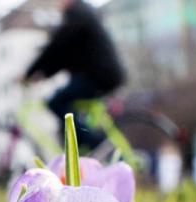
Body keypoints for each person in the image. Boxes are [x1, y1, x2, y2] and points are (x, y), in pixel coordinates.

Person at [24, 0, 125, 151]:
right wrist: (42, 74)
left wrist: (29, 73)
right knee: (67, 102)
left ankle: (92, 141)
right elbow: (63, 56)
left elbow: (57, 47)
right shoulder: (82, 13)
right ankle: (86, 145)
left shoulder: (77, 14)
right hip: (102, 74)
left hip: (100, 76)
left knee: (56, 101)